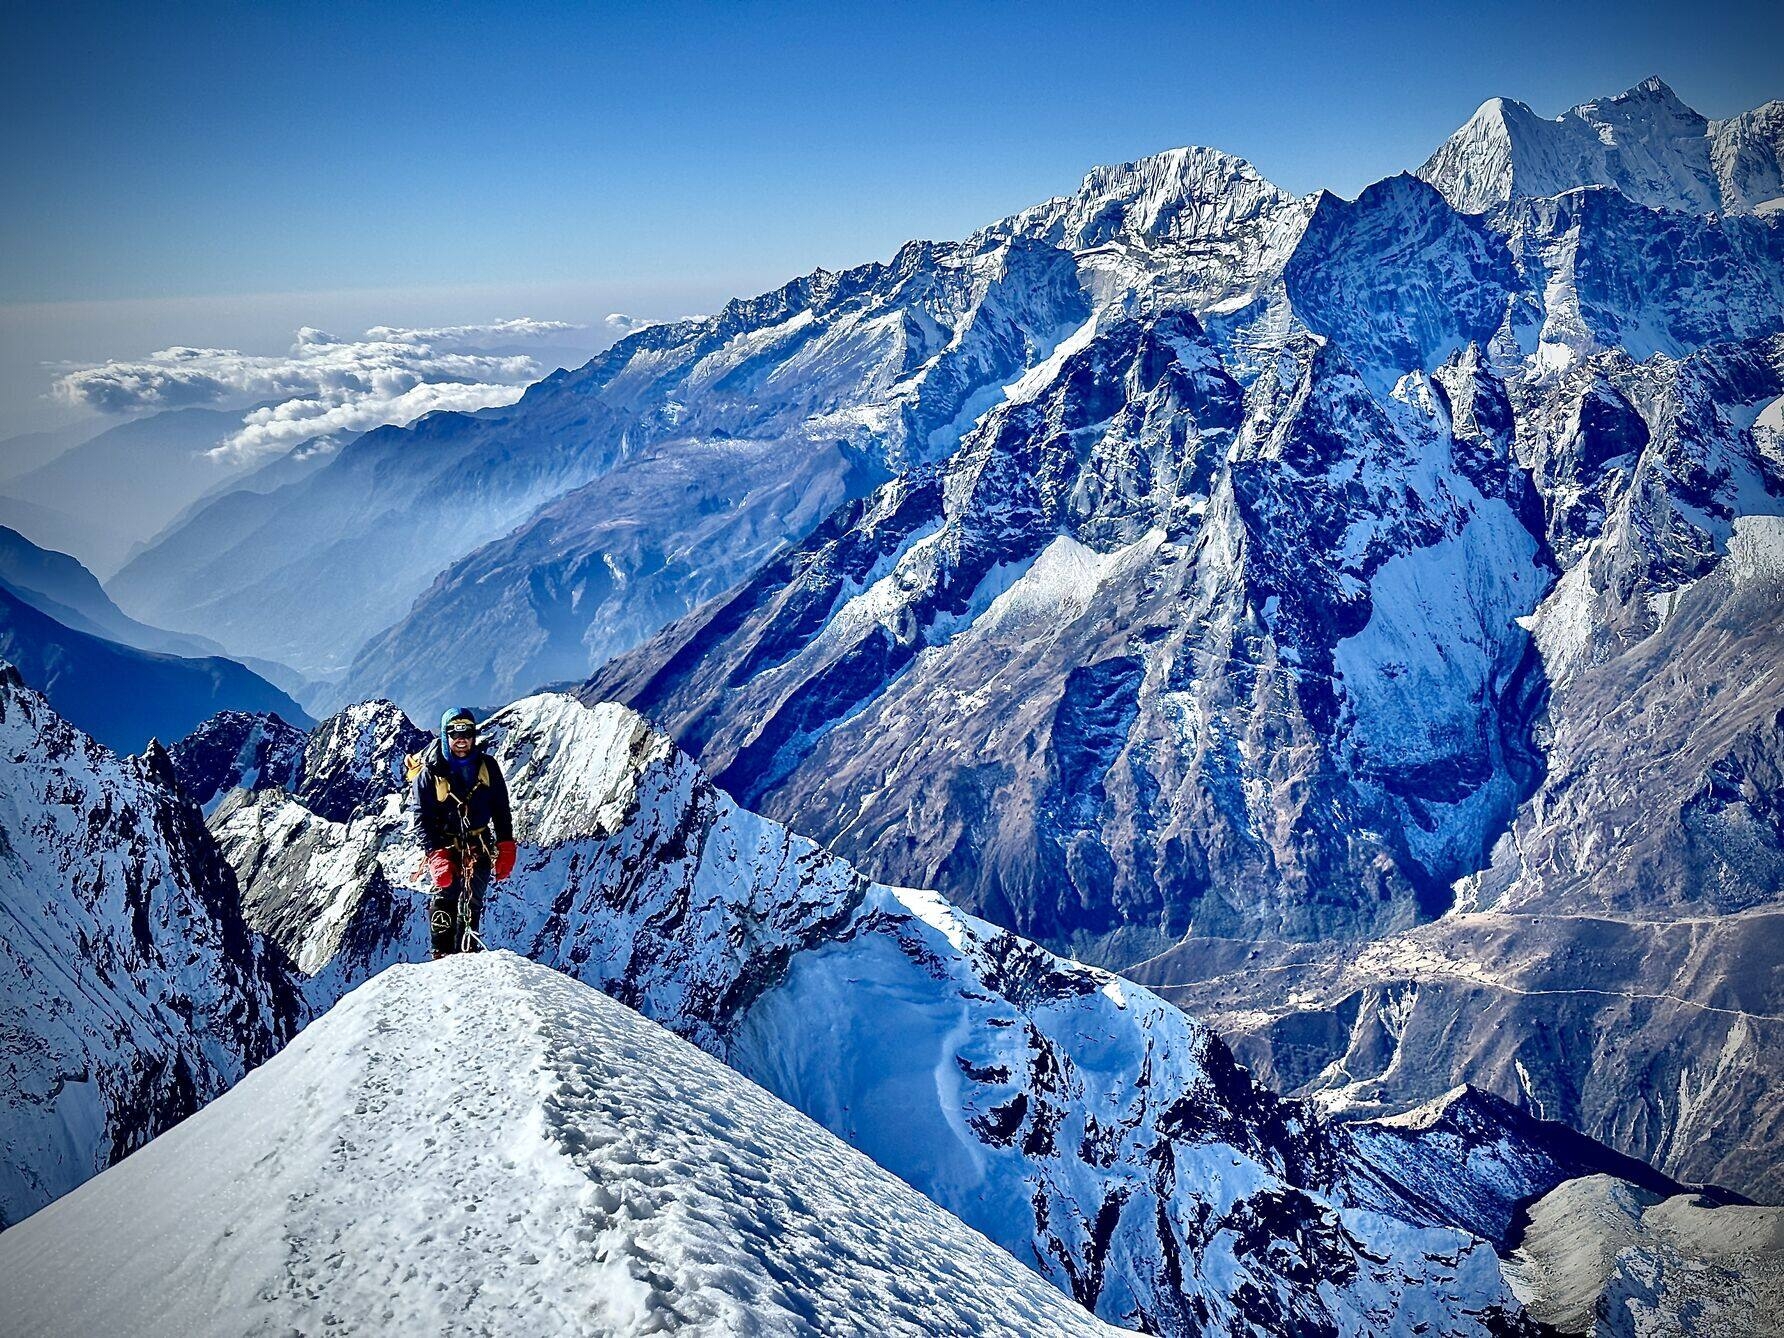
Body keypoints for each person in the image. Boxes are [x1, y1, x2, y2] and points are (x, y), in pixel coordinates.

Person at [411, 707, 517, 959]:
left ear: (474, 735)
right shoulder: (429, 774)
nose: (461, 740)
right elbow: (421, 818)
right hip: (445, 845)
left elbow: (501, 808)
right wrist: (436, 854)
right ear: (445, 736)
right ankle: (442, 954)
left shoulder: (488, 767)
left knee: (473, 899)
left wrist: (506, 844)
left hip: (478, 844)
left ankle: (467, 953)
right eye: (454, 733)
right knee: (446, 896)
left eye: (467, 733)